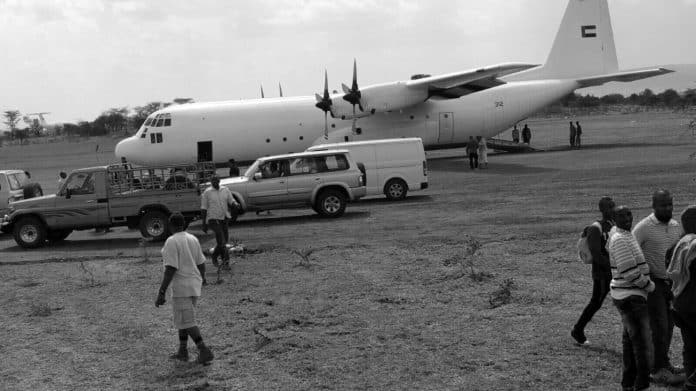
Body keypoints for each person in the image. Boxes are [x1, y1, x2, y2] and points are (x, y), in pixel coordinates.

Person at [633, 189, 684, 385]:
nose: (668, 208)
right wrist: (642, 278)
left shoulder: (675, 226)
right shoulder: (644, 227)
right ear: (653, 206)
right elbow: (630, 249)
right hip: (653, 285)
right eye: (663, 205)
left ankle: (664, 364)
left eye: (670, 204)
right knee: (659, 326)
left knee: (669, 325)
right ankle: (655, 370)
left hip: (671, 285)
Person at [155, 212, 213, 364]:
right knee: (183, 320)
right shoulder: (192, 238)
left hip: (181, 287)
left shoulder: (171, 241)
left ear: (171, 225)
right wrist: (202, 279)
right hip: (194, 285)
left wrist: (161, 292)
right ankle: (182, 350)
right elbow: (201, 262)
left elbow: (171, 269)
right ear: (184, 225)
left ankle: (203, 349)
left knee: (187, 321)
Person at [608, 205, 655, 391]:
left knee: (630, 343)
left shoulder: (626, 235)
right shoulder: (620, 239)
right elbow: (629, 272)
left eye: (628, 214)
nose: (627, 218)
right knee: (643, 344)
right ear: (614, 219)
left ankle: (628, 384)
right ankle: (641, 384)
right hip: (630, 295)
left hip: (628, 294)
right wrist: (648, 286)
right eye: (621, 216)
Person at [571, 196, 615, 345]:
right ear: (602, 209)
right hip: (602, 274)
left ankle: (578, 329)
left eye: (613, 206)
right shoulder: (596, 228)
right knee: (596, 302)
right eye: (609, 207)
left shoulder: (612, 224)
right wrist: (612, 268)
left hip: (613, 271)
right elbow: (596, 254)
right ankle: (578, 330)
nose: (612, 209)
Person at [667, 206, 696, 391]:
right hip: (693, 304)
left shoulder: (679, 244)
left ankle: (690, 377)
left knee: (690, 345)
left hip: (678, 303)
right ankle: (693, 382)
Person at [201, 176, 239, 269]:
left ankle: (216, 257)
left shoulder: (225, 190)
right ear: (210, 181)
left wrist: (235, 204)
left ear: (219, 181)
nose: (214, 182)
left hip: (224, 218)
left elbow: (231, 200)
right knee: (221, 240)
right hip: (213, 219)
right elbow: (204, 208)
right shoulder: (207, 192)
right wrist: (204, 223)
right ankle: (225, 262)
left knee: (223, 242)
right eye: (212, 180)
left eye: (216, 180)